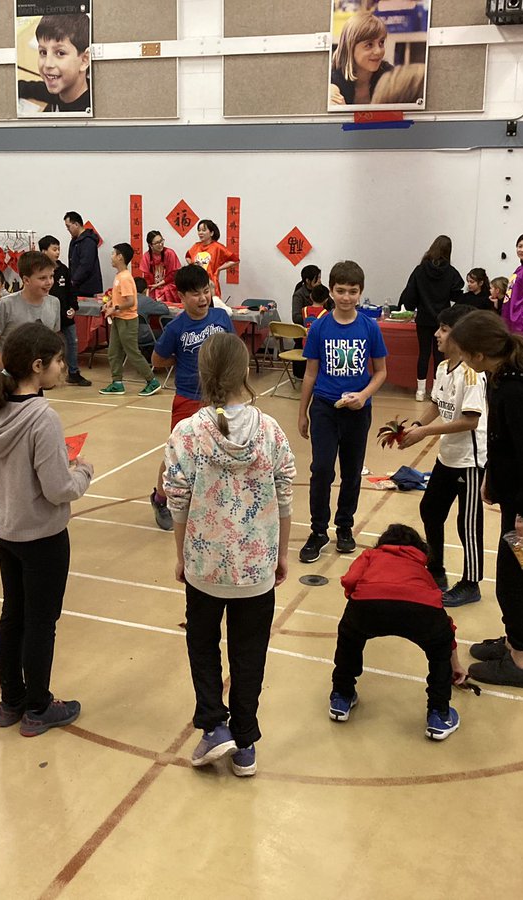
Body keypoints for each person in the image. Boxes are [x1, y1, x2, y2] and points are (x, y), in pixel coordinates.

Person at [163, 332, 295, 776]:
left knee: (202, 643)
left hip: (205, 563)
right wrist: (280, 553)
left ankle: (213, 726)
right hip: (256, 566)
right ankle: (245, 742)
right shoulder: (271, 431)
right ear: (246, 372)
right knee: (249, 651)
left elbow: (176, 498)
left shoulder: (187, 432)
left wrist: (183, 555)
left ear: (203, 374)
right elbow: (284, 496)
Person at [0, 322, 93, 736]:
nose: (63, 367)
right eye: (59, 361)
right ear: (38, 365)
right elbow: (59, 489)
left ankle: (11, 700)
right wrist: (83, 471)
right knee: (41, 621)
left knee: (14, 613)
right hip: (41, 535)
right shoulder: (42, 417)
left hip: (2, 529)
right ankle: (39, 706)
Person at [450, 312, 523, 689]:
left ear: (480, 355)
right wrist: (491, 480)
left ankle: (520, 661)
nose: (463, 360)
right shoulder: (500, 380)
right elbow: (505, 445)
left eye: (465, 354)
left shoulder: (515, 394)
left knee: (519, 583)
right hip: (517, 499)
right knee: (510, 580)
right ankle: (513, 642)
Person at [328, 525, 467, 741]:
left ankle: (341, 697)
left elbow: (349, 581)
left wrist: (362, 601)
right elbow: (442, 619)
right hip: (419, 609)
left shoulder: (371, 555)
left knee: (349, 636)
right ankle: (439, 715)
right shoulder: (421, 567)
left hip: (369, 602)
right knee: (439, 647)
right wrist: (455, 665)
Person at [297, 260, 388, 563]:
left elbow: (381, 372)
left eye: (353, 291)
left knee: (351, 472)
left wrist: (363, 396)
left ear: (360, 293)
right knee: (321, 469)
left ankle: (345, 526)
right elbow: (310, 373)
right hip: (324, 407)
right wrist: (303, 412)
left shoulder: (369, 327)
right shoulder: (320, 327)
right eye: (340, 291)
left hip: (357, 411)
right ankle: (318, 530)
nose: (346, 297)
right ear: (331, 292)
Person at [398, 305, 487, 605]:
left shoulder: (473, 375)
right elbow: (437, 404)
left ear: (461, 335)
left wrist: (426, 433)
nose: (436, 334)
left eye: (444, 329)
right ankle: (436, 569)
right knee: (430, 510)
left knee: (468, 524)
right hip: (447, 458)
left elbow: (471, 421)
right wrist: (417, 425)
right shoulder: (442, 367)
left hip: (470, 462)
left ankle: (471, 583)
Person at [149, 265, 235, 530]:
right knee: (179, 452)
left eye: (206, 291)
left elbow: (232, 350)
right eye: (195, 294)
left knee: (220, 449)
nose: (202, 298)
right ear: (182, 296)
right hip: (187, 397)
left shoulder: (221, 317)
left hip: (219, 397)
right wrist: (184, 361)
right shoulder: (176, 328)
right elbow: (157, 359)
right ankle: (160, 498)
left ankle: (212, 501)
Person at [398, 235, 464, 402]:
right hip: (443, 321)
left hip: (423, 319)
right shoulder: (451, 272)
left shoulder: (420, 270)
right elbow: (458, 294)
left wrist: (410, 307)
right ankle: (436, 392)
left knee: (423, 354)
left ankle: (420, 392)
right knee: (439, 355)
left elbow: (410, 295)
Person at [0, 251, 61, 377]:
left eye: (51, 276)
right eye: (42, 278)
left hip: (34, 380)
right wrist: (13, 371)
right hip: (5, 379)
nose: (49, 282)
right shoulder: (6, 304)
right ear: (26, 280)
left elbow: (52, 342)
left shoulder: (54, 303)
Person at [99, 243, 162, 397]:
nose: (111, 257)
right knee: (113, 352)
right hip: (118, 319)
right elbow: (120, 298)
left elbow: (131, 301)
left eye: (114, 253)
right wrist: (110, 304)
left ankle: (152, 381)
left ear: (120, 257)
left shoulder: (126, 277)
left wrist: (115, 308)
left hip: (127, 320)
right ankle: (117, 383)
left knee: (132, 352)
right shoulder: (119, 276)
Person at [39, 234, 90, 386]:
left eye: (58, 249)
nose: (57, 252)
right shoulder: (38, 271)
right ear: (43, 251)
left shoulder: (63, 270)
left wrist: (73, 307)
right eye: (54, 249)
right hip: (46, 315)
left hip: (65, 314)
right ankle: (45, 376)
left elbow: (71, 291)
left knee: (72, 343)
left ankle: (73, 373)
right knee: (47, 345)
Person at [16, 13, 91, 113]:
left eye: (60, 53)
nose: (48, 64)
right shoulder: (61, 87)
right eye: (43, 52)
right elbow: (33, 89)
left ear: (84, 60)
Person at [328, 12, 392, 106]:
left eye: (381, 43)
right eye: (369, 45)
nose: (378, 51)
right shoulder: (333, 77)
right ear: (350, 47)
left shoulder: (389, 74)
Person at [186, 219, 239, 299]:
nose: (200, 233)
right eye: (199, 230)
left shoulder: (218, 247)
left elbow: (235, 260)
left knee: (212, 306)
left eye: (203, 230)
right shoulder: (196, 246)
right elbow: (188, 256)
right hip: (195, 283)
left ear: (211, 233)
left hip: (211, 284)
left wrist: (219, 268)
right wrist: (192, 266)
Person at [63, 212, 103, 295]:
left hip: (88, 288)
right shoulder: (74, 241)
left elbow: (86, 265)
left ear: (76, 224)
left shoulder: (88, 241)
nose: (68, 230)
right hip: (77, 287)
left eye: (68, 226)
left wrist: (73, 281)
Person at [140, 230, 181, 305]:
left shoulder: (169, 253)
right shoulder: (146, 256)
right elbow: (147, 277)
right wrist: (152, 287)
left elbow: (173, 274)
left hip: (169, 285)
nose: (160, 244)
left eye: (161, 241)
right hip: (154, 287)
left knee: (167, 290)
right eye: (156, 243)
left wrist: (158, 285)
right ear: (150, 245)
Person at [136, 276, 171, 361]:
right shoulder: (146, 301)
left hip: (126, 333)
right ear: (145, 290)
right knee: (166, 332)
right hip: (142, 334)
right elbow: (165, 310)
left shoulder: (125, 299)